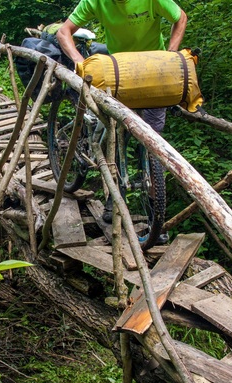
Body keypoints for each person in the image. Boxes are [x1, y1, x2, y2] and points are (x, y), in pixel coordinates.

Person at [56, 0, 187, 231]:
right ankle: (115, 198)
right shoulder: (95, 1)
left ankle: (155, 217)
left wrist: (171, 54)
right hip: (118, 75)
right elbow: (64, 31)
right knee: (115, 138)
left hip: (155, 73)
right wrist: (81, 62)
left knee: (154, 144)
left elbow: (180, 17)